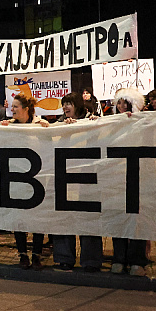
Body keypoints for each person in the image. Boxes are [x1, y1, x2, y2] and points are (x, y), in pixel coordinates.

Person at [51, 92, 104, 272]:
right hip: (64, 176)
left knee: (88, 217)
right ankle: (64, 257)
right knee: (64, 217)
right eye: (64, 104)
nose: (66, 107)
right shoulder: (59, 123)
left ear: (78, 105)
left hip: (87, 177)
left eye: (69, 104)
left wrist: (91, 126)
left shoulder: (92, 120)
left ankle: (91, 260)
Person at [0, 93, 49, 269]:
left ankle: (36, 254)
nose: (11, 110)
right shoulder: (8, 126)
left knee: (37, 217)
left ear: (26, 109)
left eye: (15, 107)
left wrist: (47, 129)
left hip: (38, 177)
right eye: (12, 107)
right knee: (18, 217)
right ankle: (22, 254)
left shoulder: (40, 124)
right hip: (16, 178)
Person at [108, 87, 150, 276]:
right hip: (116, 177)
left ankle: (137, 260)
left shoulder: (144, 123)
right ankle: (119, 258)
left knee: (137, 222)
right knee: (118, 220)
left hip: (139, 177)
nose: (122, 106)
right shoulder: (110, 123)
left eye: (126, 102)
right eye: (119, 102)